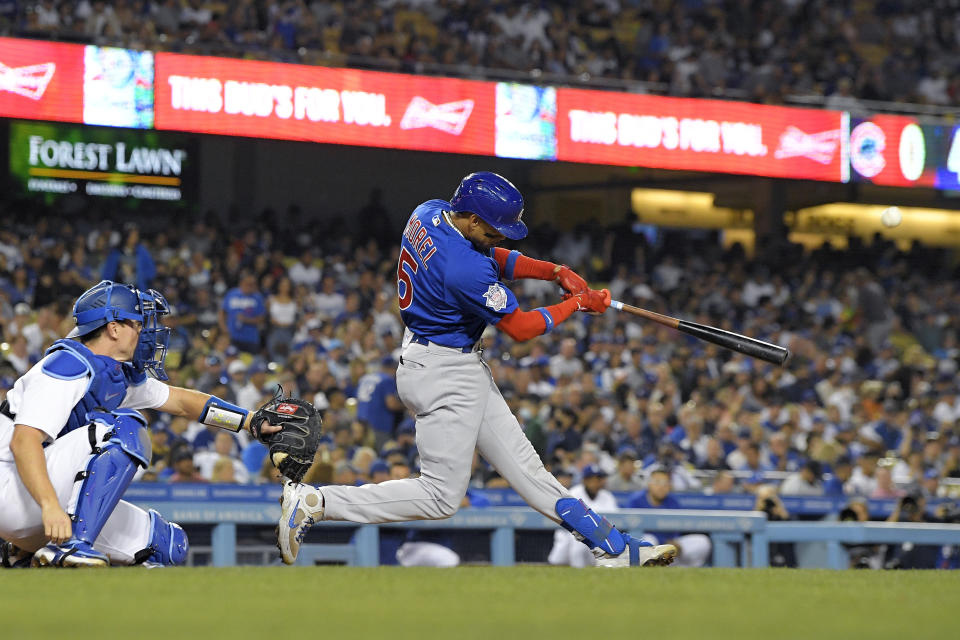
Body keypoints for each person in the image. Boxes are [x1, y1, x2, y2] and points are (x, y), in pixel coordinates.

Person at [277, 171, 676, 568]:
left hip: (440, 360)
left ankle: (614, 549)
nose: (502, 236)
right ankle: (316, 501)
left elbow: (491, 254)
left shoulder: (429, 211)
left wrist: (552, 271)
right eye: (495, 229)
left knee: (529, 472)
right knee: (440, 497)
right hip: (445, 372)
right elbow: (520, 327)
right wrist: (578, 304)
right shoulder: (464, 269)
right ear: (471, 219)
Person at [0, 280, 278, 568]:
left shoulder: (115, 375)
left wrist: (250, 421)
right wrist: (49, 506)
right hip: (13, 487)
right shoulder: (66, 365)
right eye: (137, 323)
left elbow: (184, 402)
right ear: (114, 328)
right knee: (125, 426)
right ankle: (74, 547)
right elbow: (23, 442)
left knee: (169, 545)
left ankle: (25, 554)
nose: (143, 331)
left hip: (42, 493)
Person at [627, 468, 712, 567]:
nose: (661, 487)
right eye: (657, 482)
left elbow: (677, 527)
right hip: (650, 545)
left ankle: (683, 569)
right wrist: (663, 541)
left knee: (702, 541)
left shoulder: (672, 501)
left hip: (669, 549)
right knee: (649, 541)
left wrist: (674, 542)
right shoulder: (636, 500)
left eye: (665, 483)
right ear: (649, 484)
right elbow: (633, 531)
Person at [548, 465, 619, 567]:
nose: (598, 482)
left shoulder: (607, 496)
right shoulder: (573, 493)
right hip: (571, 534)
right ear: (585, 480)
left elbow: (613, 521)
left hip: (599, 535)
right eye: (594, 479)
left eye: (600, 478)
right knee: (575, 547)